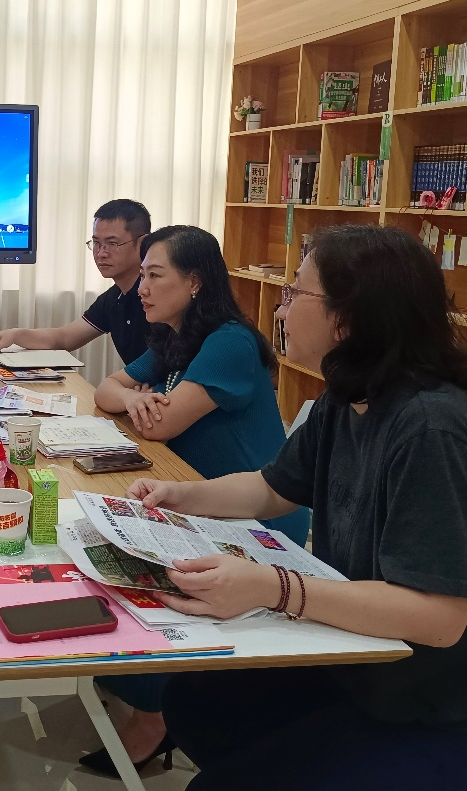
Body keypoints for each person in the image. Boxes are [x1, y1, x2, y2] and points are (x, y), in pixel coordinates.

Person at [129, 224, 467, 790]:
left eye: (295, 293)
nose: (281, 310)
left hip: (437, 720)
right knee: (195, 699)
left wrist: (273, 588)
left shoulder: (431, 430)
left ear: (350, 316)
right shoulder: (346, 399)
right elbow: (273, 488)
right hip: (359, 669)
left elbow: (439, 618)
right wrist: (183, 496)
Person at [81, 225, 309, 779]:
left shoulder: (229, 341)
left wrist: (141, 404)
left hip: (256, 513)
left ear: (196, 282)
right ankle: (135, 687)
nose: (142, 288)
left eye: (155, 275)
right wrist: (135, 397)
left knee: (135, 575)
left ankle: (156, 714)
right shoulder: (174, 336)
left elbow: (160, 426)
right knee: (96, 546)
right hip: (192, 494)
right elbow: (106, 389)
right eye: (144, 275)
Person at [0, 199, 152, 365]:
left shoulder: (154, 296)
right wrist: (15, 335)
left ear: (142, 243)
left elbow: (160, 365)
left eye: (112, 243)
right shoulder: (114, 297)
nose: (101, 253)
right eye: (96, 243)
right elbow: (64, 338)